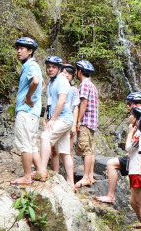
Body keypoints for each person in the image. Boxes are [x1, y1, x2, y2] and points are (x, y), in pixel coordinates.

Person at [95, 93, 141, 206]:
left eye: (129, 104)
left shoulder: (140, 123)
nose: (127, 107)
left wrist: (130, 133)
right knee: (138, 196)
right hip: (139, 158)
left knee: (111, 164)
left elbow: (129, 147)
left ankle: (111, 196)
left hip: (137, 159)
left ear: (136, 105)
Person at [38, 56, 75, 185]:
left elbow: (62, 100)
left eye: (53, 67)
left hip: (63, 118)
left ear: (59, 69)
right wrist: (46, 119)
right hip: (58, 118)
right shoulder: (50, 83)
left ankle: (42, 171)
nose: (50, 69)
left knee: (45, 137)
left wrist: (52, 120)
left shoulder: (62, 81)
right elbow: (50, 103)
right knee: (64, 152)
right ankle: (70, 183)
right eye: (48, 67)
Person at [11, 37, 42, 186]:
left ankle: (27, 176)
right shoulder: (33, 65)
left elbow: (36, 81)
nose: (18, 51)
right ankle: (41, 172)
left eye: (22, 48)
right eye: (18, 48)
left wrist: (28, 97)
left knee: (25, 144)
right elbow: (42, 84)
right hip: (33, 112)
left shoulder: (30, 66)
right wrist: (34, 96)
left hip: (26, 111)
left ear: (30, 51)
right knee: (32, 144)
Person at [73, 60, 99, 190]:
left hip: (85, 121)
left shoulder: (84, 85)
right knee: (91, 149)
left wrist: (78, 120)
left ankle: (86, 177)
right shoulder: (92, 86)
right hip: (92, 122)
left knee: (86, 150)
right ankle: (90, 175)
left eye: (76, 70)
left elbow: (83, 103)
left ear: (80, 71)